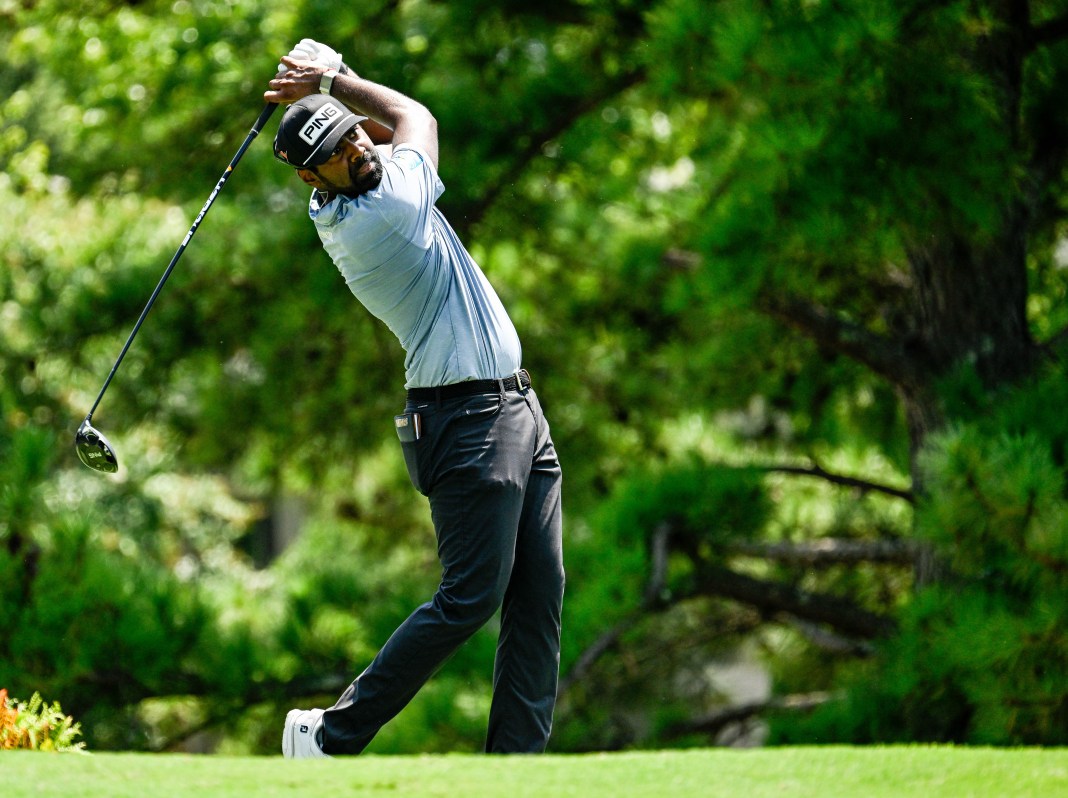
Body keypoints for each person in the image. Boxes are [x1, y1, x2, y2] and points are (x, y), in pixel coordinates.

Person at [265, 39, 565, 757]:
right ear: (314, 176)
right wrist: (337, 78)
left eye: (349, 135)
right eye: (336, 153)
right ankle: (330, 736)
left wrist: (332, 101)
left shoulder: (362, 181)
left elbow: (384, 132)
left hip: (515, 411)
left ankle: (517, 766)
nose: (354, 151)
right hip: (465, 419)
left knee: (539, 591)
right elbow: (413, 114)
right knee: (469, 596)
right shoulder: (379, 214)